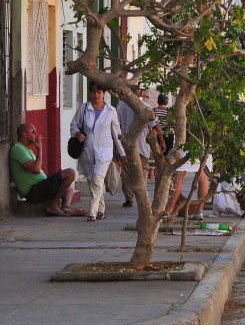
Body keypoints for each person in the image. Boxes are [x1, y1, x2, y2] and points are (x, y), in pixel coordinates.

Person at [70, 83, 123, 222]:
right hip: (87, 151)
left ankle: (92, 212)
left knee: (98, 179)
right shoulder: (84, 108)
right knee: (92, 180)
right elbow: (74, 124)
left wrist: (122, 153)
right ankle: (101, 210)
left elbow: (117, 133)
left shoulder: (111, 111)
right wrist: (77, 134)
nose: (96, 95)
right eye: (93, 92)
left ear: (103, 93)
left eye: (99, 92)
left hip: (104, 151)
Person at [9, 123, 85, 216]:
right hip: (33, 191)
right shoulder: (18, 149)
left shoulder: (27, 150)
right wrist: (40, 150)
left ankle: (66, 207)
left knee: (68, 188)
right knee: (70, 173)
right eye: (33, 132)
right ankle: (53, 206)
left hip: (39, 187)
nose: (36, 134)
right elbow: (36, 170)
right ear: (25, 134)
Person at [118, 86, 165, 207]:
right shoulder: (146, 106)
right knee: (143, 169)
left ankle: (129, 197)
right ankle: (142, 195)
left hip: (127, 145)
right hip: (142, 145)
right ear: (141, 94)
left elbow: (118, 124)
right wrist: (162, 140)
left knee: (127, 172)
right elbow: (155, 125)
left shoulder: (121, 105)